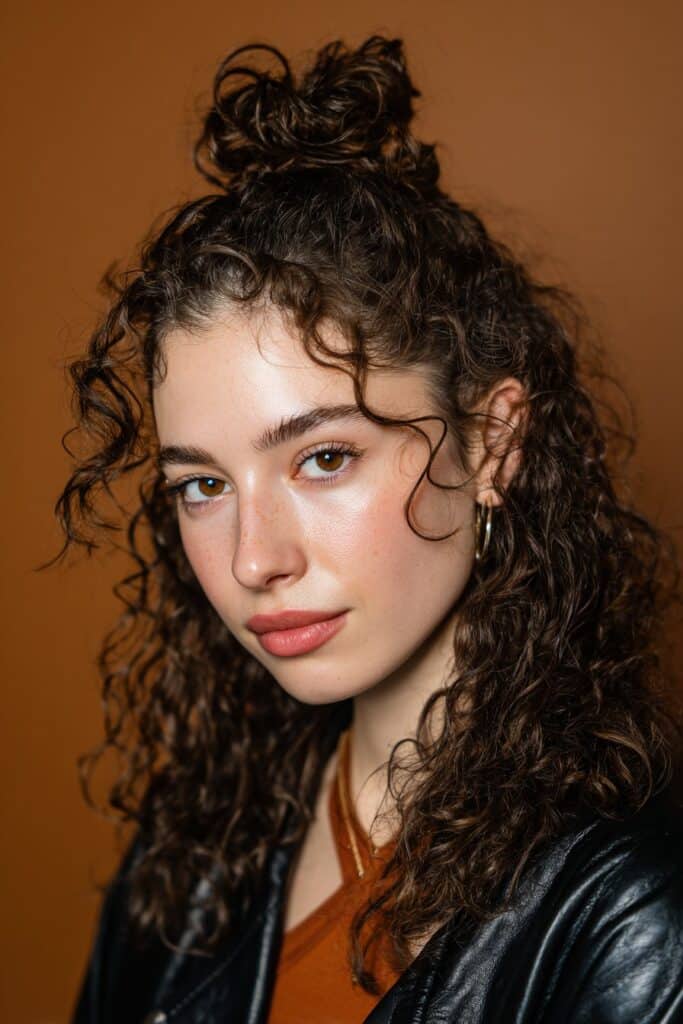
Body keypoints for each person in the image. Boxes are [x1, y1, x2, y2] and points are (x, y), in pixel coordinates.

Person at [51, 33, 683, 1024]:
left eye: (323, 458)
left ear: (491, 443)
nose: (254, 559)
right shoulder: (193, 859)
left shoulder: (628, 914)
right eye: (202, 485)